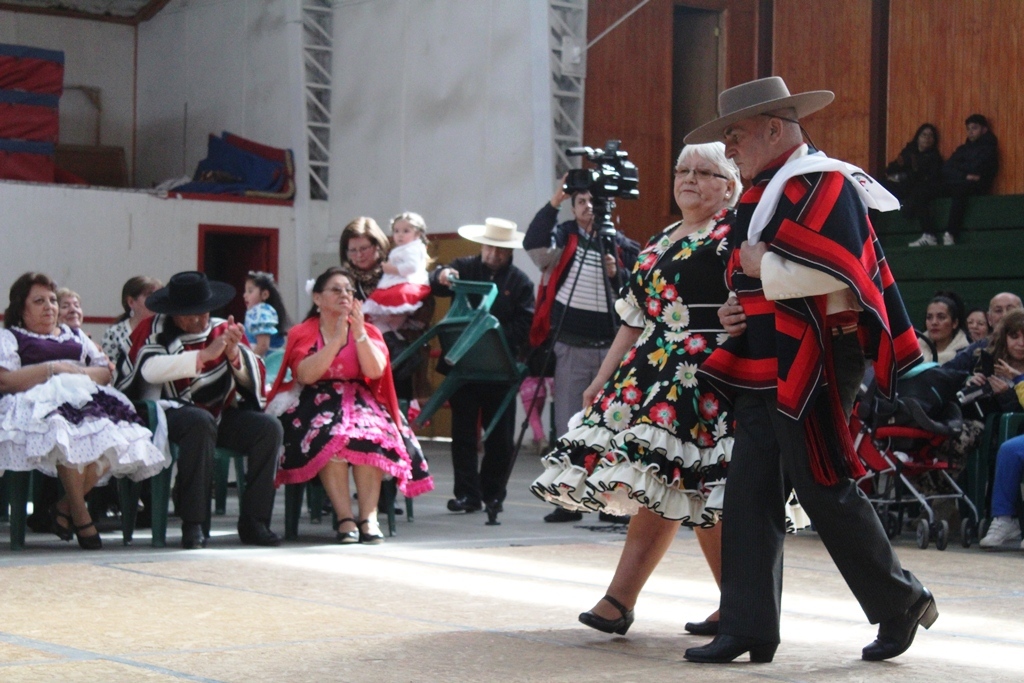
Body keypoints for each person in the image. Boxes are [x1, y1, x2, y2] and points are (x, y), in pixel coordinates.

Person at [682, 76, 934, 664]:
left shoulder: (825, 181)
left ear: (775, 129)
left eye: (736, 134)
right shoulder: (767, 189)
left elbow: (841, 273)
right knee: (749, 491)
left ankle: (902, 601)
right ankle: (748, 626)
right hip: (768, 352)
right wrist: (737, 305)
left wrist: (760, 267)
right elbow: (758, 273)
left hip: (818, 354)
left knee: (822, 485)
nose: (729, 148)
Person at [531, 142, 740, 636]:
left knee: (697, 488)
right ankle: (623, 599)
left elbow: (758, 294)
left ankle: (729, 604)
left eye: (703, 172)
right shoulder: (663, 236)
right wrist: (602, 379)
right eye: (682, 170)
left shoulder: (735, 234)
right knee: (660, 482)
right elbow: (634, 317)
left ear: (729, 186)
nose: (689, 178)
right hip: (649, 374)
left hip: (702, 374)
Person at [0, 272, 168, 549]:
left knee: (119, 439)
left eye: (52, 300)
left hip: (87, 400)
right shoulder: (11, 337)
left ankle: (65, 507)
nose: (49, 307)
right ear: (21, 308)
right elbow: (6, 380)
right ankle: (81, 516)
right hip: (38, 405)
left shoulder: (74, 335)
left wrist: (74, 372)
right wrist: (54, 368)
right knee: (65, 432)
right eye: (39, 301)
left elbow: (103, 372)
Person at [116, 271, 282, 549]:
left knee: (268, 429)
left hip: (220, 413)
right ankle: (193, 523)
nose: (199, 320)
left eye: (203, 312)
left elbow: (252, 377)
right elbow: (148, 370)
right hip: (167, 413)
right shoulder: (153, 329)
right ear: (173, 313)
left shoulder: (222, 329)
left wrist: (234, 355)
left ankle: (255, 521)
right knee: (199, 422)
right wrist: (203, 356)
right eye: (190, 314)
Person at [267, 267, 433, 544]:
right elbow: (306, 375)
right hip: (314, 401)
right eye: (336, 290)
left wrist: (358, 334)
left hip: (360, 399)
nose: (344, 294)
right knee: (331, 436)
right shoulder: (303, 332)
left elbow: (375, 370)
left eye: (349, 290)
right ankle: (345, 520)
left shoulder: (368, 331)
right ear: (317, 298)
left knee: (371, 436)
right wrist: (335, 342)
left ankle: (369, 519)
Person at [525, 176, 640, 522]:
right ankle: (567, 500)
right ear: (573, 207)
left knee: (613, 425)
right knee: (568, 424)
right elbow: (534, 246)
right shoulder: (563, 238)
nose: (588, 207)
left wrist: (618, 274)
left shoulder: (622, 246)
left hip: (611, 350)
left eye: (594, 201)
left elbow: (638, 296)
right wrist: (554, 200)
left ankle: (611, 502)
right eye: (581, 201)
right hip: (571, 346)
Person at [430, 217, 534, 514]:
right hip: (463, 367)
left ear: (509, 251)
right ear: (482, 246)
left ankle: (493, 493)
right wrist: (442, 274)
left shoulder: (521, 282)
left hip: (500, 368)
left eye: (500, 249)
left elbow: (525, 324)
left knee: (500, 437)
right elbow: (436, 282)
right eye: (489, 247)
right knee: (463, 434)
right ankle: (467, 494)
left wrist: (492, 338)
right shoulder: (463, 267)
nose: (494, 254)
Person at [339, 215, 433, 401]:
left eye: (364, 248)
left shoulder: (396, 267)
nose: (359, 255)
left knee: (399, 405)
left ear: (377, 245)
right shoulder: (342, 280)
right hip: (357, 357)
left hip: (399, 358)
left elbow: (425, 292)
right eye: (353, 250)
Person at [909, 114, 998, 247]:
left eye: (974, 128)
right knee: (922, 191)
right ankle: (929, 234)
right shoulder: (963, 149)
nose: (970, 132)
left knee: (960, 192)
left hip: (975, 186)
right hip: (958, 182)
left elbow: (980, 169)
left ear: (984, 129)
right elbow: (947, 168)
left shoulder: (989, 149)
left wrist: (960, 171)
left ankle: (951, 233)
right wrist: (965, 175)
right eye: (968, 129)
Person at [362, 212, 432, 333]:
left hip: (406, 285)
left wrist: (392, 269)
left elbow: (411, 267)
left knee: (396, 310)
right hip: (394, 283)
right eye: (396, 231)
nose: (400, 235)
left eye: (406, 231)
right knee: (387, 313)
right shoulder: (401, 249)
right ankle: (383, 331)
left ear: (417, 234)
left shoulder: (413, 248)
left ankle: (388, 332)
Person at [885, 123, 943, 238]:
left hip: (916, 188)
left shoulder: (934, 157)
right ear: (918, 137)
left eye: (930, 135)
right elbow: (891, 169)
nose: (927, 138)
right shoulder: (908, 152)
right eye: (924, 135)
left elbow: (925, 177)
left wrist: (904, 175)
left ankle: (929, 234)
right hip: (901, 186)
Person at [945, 291, 1022, 372]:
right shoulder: (978, 349)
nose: (1005, 315)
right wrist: (968, 377)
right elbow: (945, 371)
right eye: (998, 311)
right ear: (989, 319)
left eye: (1010, 310)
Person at [100, 276, 162, 376]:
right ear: (131, 302)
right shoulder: (114, 333)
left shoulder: (165, 329)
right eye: (150, 296)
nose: (156, 301)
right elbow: (107, 369)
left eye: (158, 297)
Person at [243, 270, 290, 358]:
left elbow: (263, 345)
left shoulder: (261, 313)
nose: (245, 295)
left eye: (250, 291)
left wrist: (251, 361)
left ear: (265, 294)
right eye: (245, 291)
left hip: (266, 362)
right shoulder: (258, 312)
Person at [919, 294, 970, 364]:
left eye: (941, 317)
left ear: (954, 323)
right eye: (929, 317)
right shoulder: (914, 354)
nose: (934, 322)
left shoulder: (966, 357)